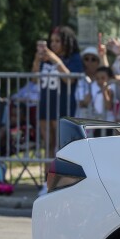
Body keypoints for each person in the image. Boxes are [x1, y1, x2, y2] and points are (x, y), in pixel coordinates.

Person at [32, 26, 82, 156]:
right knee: (48, 145)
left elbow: (70, 80)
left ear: (66, 42)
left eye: (57, 41)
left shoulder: (74, 58)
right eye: (51, 41)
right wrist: (37, 59)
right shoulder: (45, 58)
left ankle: (61, 176)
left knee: (62, 147)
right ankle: (47, 176)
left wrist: (55, 59)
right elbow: (34, 79)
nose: (53, 44)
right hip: (45, 105)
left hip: (63, 106)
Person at [74, 46, 102, 119]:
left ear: (98, 62)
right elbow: (74, 101)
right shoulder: (77, 79)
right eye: (86, 59)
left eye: (93, 59)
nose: (89, 62)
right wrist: (83, 103)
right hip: (80, 120)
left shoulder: (103, 81)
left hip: (99, 122)